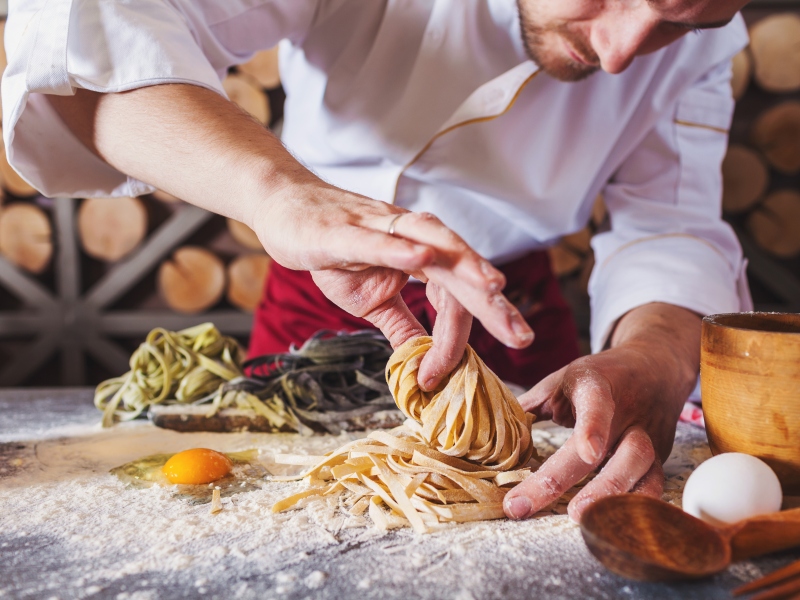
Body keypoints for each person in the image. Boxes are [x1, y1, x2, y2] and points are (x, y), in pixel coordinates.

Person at [3, 0, 753, 522]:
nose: (621, 53)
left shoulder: (699, 46)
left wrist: (654, 359)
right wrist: (279, 193)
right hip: (324, 299)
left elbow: (671, 227)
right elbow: (88, 27)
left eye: (680, 26)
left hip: (515, 322)